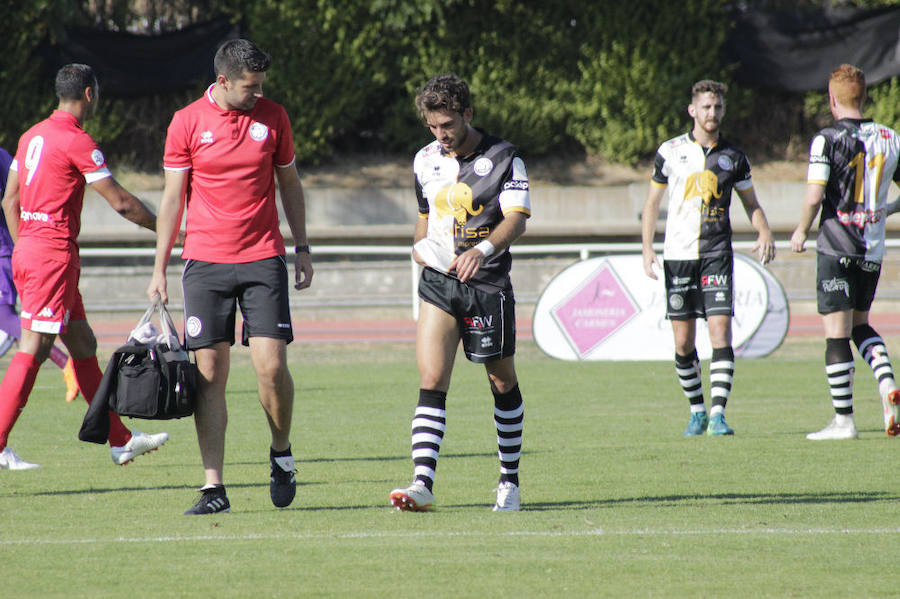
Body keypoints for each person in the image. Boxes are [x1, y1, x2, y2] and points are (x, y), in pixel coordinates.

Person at [147, 39, 314, 515]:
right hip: (205, 264)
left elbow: (290, 184)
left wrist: (301, 247)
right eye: (249, 87)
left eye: (261, 86)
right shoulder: (186, 122)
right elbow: (172, 199)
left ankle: (281, 453)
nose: (258, 94)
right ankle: (213, 487)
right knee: (209, 375)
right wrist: (159, 268)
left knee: (271, 367)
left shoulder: (274, 117)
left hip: (263, 259)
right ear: (222, 81)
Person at [0, 63, 169, 470]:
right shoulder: (77, 141)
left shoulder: (30, 136)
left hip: (39, 253)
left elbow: (9, 201)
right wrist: (167, 231)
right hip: (51, 256)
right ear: (89, 94)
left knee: (83, 345)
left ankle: (121, 440)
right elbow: (122, 202)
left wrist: (27, 247)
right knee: (35, 347)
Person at [389, 73, 530, 512]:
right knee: (432, 381)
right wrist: (419, 247)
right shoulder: (425, 160)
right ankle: (422, 483)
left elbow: (518, 218)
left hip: (487, 285)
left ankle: (509, 482)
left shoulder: (505, 157)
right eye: (432, 126)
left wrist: (483, 250)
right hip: (439, 283)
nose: (440, 135)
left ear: (468, 114)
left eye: (447, 124)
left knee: (500, 380)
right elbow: (424, 214)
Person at [641, 79, 776, 437]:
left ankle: (718, 415)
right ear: (692, 110)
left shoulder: (734, 157)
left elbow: (752, 204)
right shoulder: (669, 151)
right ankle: (697, 410)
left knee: (720, 332)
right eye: (705, 107)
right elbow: (652, 204)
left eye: (717, 107)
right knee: (683, 344)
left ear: (723, 110)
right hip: (678, 257)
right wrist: (647, 247)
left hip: (717, 254)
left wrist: (763, 230)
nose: (711, 113)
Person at [791, 64, 900, 440]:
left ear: (832, 99)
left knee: (837, 337)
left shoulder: (826, 138)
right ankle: (887, 383)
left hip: (836, 245)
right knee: (861, 326)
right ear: (865, 96)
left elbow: (815, 195)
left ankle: (844, 421)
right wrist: (886, 209)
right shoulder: (891, 138)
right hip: (871, 248)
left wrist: (800, 230)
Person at [0, 145, 82, 404]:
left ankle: (67, 363)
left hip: (5, 248)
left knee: (4, 315)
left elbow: (15, 198)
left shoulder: (2, 157)